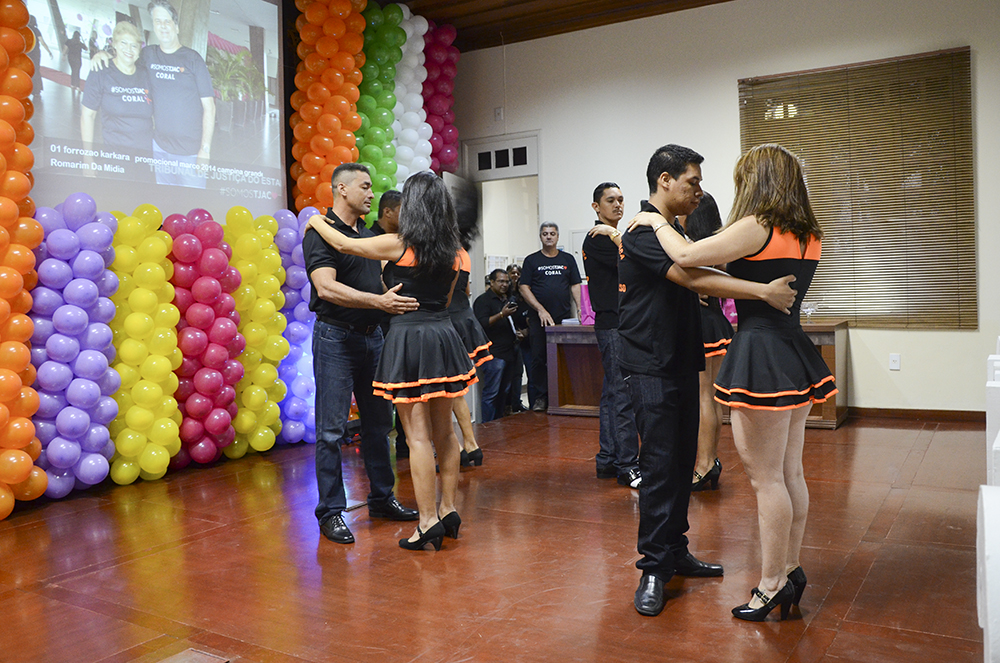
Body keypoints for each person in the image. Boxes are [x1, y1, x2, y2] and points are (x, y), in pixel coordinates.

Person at [630, 143, 836, 621]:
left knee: (767, 480)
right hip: (793, 350)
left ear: (757, 181)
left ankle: (771, 584)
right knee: (790, 473)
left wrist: (653, 222)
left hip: (761, 353)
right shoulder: (808, 233)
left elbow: (687, 256)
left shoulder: (758, 225)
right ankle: (789, 569)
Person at [307, 171, 476, 551]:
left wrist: (315, 220)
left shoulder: (396, 244)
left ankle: (427, 521)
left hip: (408, 338)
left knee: (416, 437)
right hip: (443, 336)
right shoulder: (455, 253)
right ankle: (448, 509)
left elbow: (343, 244)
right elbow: (450, 297)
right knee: (446, 433)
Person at [303, 163, 420, 545]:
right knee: (331, 431)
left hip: (373, 339)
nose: (372, 194)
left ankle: (382, 499)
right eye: (365, 187)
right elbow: (326, 288)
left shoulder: (368, 237)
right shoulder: (320, 233)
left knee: (379, 425)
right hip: (335, 338)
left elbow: (382, 284)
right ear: (342, 189)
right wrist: (379, 302)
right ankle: (330, 512)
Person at [92, 0, 216, 188]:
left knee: (193, 203)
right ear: (154, 26)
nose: (163, 26)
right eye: (158, 21)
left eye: (167, 21)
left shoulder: (193, 60)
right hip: (160, 150)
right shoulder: (148, 54)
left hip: (190, 153)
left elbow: (209, 107)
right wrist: (104, 54)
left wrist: (204, 150)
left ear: (176, 26)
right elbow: (126, 59)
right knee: (164, 201)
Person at [583, 182, 641, 489]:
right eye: (610, 200)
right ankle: (627, 464)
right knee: (622, 395)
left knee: (612, 393)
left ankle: (608, 458)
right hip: (613, 325)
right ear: (596, 207)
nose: (618, 204)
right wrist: (616, 235)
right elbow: (633, 261)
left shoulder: (612, 236)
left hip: (618, 324)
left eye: (620, 199)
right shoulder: (599, 238)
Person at [676, 192, 733, 491]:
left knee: (701, 399)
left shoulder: (691, 248)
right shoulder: (719, 246)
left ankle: (704, 464)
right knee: (711, 398)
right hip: (716, 322)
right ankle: (710, 460)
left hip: (699, 325)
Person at [519, 223, 582, 412]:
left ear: (557, 236)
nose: (548, 237)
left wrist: (581, 308)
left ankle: (565, 395)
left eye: (552, 234)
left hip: (563, 318)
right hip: (539, 319)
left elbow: (575, 285)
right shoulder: (531, 260)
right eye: (545, 234)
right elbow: (523, 287)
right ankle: (541, 397)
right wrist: (540, 309)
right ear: (540, 237)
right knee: (539, 358)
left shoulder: (568, 259)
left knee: (565, 357)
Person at [80, 21, 153, 171]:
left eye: (134, 45)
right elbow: (88, 115)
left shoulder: (146, 74)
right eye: (123, 43)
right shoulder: (101, 71)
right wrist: (87, 157)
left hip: (144, 158)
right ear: (114, 45)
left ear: (139, 49)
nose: (129, 49)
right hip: (115, 158)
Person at [447, 213, 490, 466]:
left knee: (445, 390)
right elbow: (467, 290)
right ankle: (470, 444)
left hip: (447, 321)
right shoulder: (463, 252)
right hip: (463, 317)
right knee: (455, 389)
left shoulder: (443, 253)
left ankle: (458, 447)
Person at [371, 190, 409, 459]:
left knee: (405, 384)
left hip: (400, 322)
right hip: (378, 323)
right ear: (388, 212)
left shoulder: (405, 241)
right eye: (402, 210)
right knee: (381, 391)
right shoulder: (369, 239)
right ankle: (381, 451)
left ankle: (406, 444)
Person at [473, 269, 519, 421]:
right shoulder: (483, 301)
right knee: (491, 393)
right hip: (493, 353)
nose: (504, 285)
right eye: (500, 281)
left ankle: (498, 422)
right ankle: (487, 426)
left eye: (506, 282)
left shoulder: (506, 300)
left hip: (509, 351)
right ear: (491, 282)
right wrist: (501, 315)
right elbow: (482, 323)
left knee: (504, 392)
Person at [505, 263, 529, 413]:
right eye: (512, 273)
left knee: (519, 373)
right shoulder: (506, 297)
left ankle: (516, 402)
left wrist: (526, 331)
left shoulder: (525, 299)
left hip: (525, 339)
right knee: (509, 375)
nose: (514, 276)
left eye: (517, 273)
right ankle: (508, 405)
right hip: (509, 341)